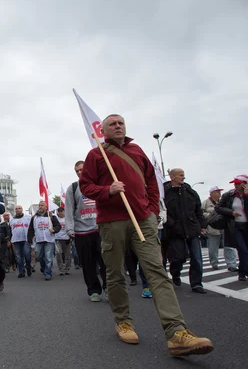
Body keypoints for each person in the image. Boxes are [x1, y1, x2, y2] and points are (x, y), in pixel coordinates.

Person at [79, 113, 213, 356]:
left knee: (157, 273)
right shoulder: (96, 154)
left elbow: (152, 183)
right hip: (112, 222)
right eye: (113, 124)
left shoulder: (137, 150)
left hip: (143, 220)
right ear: (104, 131)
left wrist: (151, 210)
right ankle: (123, 321)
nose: (118, 126)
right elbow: (85, 185)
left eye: (121, 123)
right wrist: (107, 190)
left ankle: (176, 333)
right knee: (116, 273)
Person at [65, 161, 107, 302]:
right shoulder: (73, 188)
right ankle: (93, 290)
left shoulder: (99, 183)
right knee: (88, 264)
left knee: (106, 261)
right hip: (82, 232)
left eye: (81, 169)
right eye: (76, 170)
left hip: (100, 229)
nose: (79, 172)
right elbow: (69, 210)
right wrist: (70, 229)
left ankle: (109, 288)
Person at [163, 168, 207, 293]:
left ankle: (196, 284)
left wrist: (202, 225)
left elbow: (198, 210)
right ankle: (175, 273)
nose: (183, 177)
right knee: (178, 257)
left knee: (197, 258)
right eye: (180, 175)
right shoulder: (165, 192)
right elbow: (162, 209)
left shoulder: (190, 192)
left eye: (183, 175)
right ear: (172, 177)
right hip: (175, 231)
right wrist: (171, 223)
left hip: (192, 229)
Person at [216, 175, 248, 281]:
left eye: (238, 183)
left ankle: (243, 271)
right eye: (235, 183)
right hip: (235, 226)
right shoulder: (229, 195)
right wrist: (231, 212)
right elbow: (218, 207)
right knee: (242, 250)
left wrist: (246, 195)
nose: (236, 185)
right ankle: (243, 272)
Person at [203, 186, 238, 271]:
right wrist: (209, 215)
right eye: (217, 191)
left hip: (225, 226)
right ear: (211, 193)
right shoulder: (205, 202)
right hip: (212, 227)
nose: (219, 193)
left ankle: (231, 264)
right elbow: (201, 213)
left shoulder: (224, 201)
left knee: (229, 246)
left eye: (219, 191)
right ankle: (214, 263)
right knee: (213, 247)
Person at [27, 201, 61, 280]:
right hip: (39, 240)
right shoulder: (34, 217)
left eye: (42, 205)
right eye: (39, 205)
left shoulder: (51, 216)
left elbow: (58, 226)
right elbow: (31, 229)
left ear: (46, 207)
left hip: (49, 240)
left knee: (48, 257)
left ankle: (48, 273)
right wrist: (29, 239)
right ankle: (43, 267)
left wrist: (54, 229)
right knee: (39, 256)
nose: (40, 207)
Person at [10, 205, 32, 278]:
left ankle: (28, 266)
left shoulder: (28, 218)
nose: (17, 210)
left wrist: (31, 237)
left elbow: (31, 227)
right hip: (16, 240)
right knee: (19, 257)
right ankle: (21, 271)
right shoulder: (12, 220)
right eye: (16, 209)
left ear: (22, 209)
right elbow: (10, 230)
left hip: (25, 239)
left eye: (19, 208)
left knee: (27, 254)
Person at [53, 207, 72, 276]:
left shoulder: (68, 219)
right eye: (59, 211)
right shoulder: (56, 219)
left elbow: (71, 227)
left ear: (64, 211)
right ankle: (61, 269)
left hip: (67, 239)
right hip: (58, 239)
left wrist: (71, 237)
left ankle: (67, 269)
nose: (60, 213)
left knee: (68, 254)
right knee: (58, 253)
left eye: (61, 211)